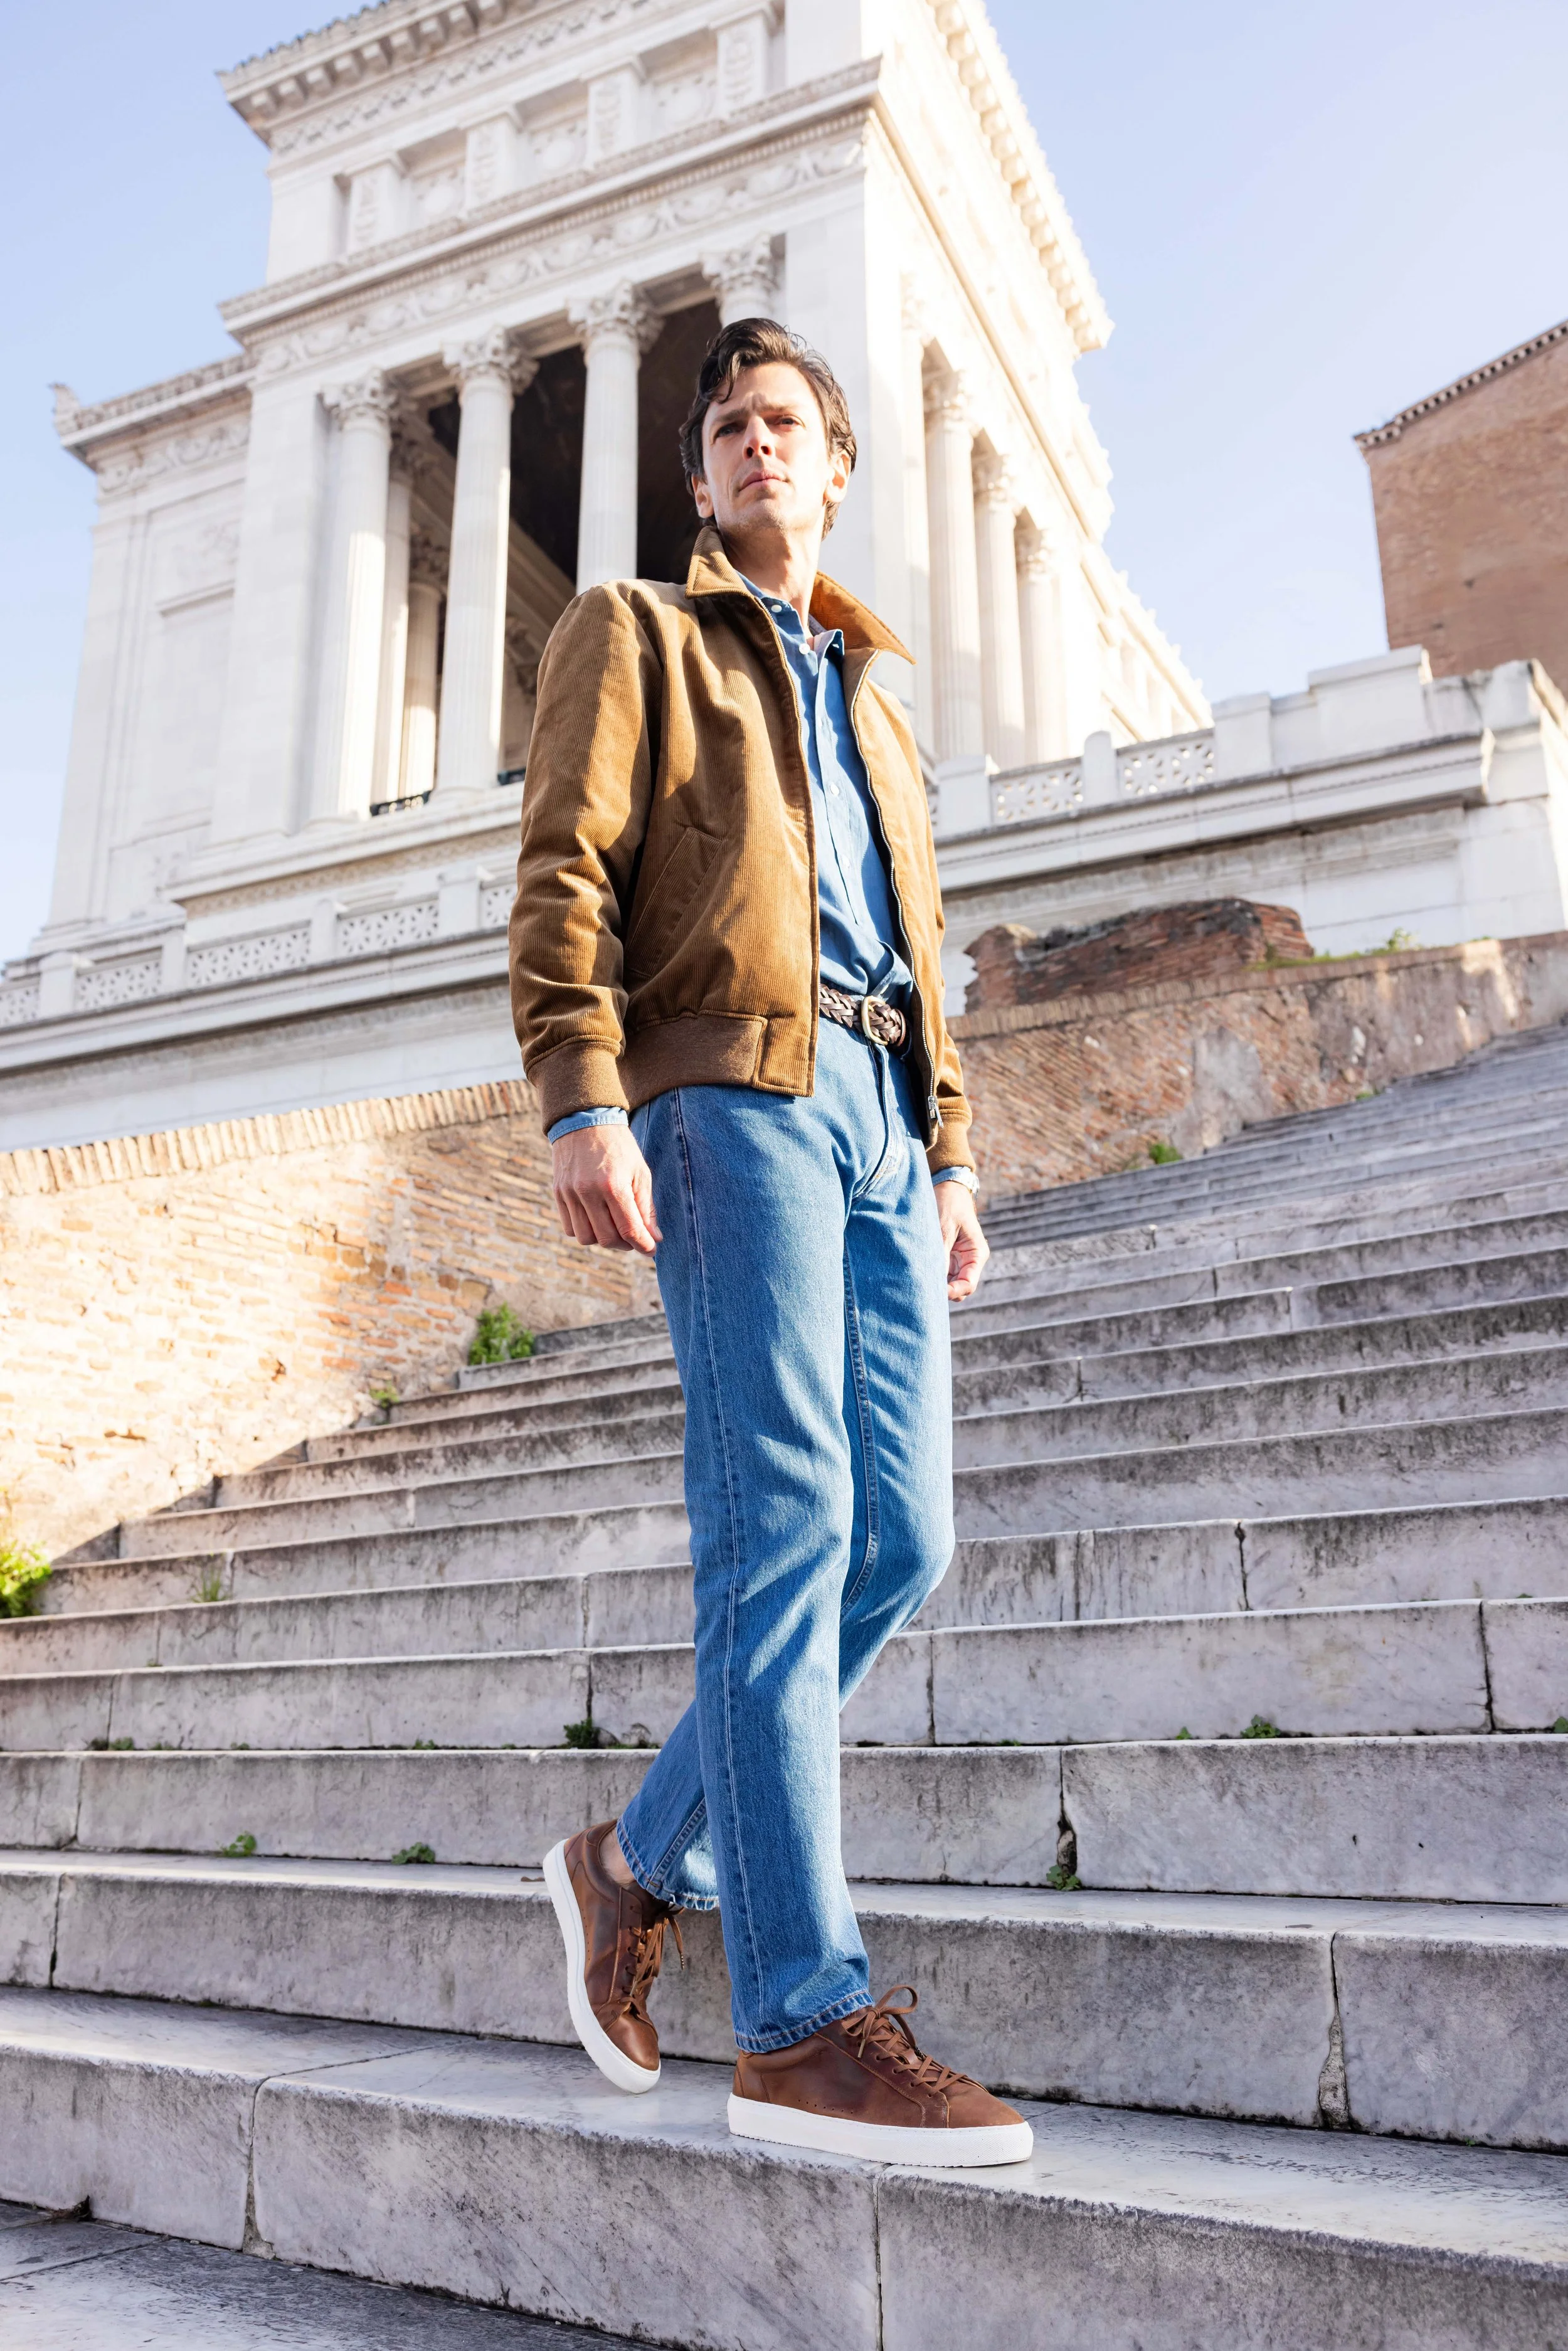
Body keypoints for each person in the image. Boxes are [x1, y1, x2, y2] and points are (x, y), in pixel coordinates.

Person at [512, 316, 1031, 2167]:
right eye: (727, 424)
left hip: (882, 1117)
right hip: (731, 1093)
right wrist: (580, 1092)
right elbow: (566, 862)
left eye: (785, 421)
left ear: (835, 464)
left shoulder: (876, 698)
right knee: (786, 1524)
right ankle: (804, 2022)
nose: (755, 443)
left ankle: (633, 1855)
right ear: (702, 472)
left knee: (904, 1537)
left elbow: (924, 935)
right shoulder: (637, 631)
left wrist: (948, 1149)